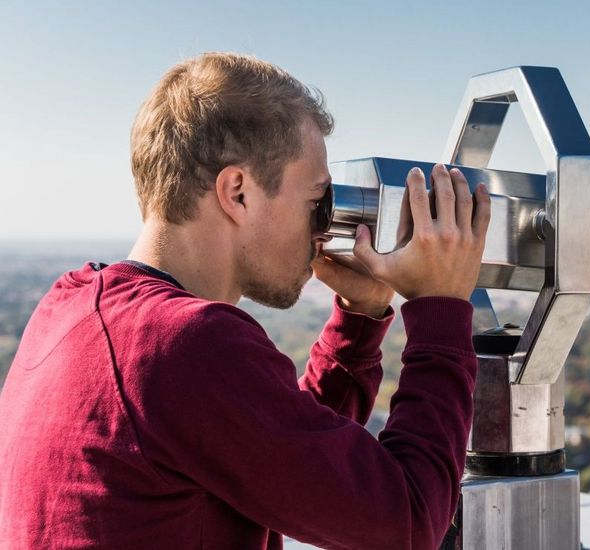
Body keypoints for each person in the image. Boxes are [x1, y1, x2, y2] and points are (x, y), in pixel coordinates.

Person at [0, 52, 491, 550]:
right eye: (315, 202)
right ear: (237, 193)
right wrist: (440, 308)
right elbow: (406, 521)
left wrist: (359, 319)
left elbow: (273, 458)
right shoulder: (186, 342)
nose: (323, 227)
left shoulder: (72, 305)